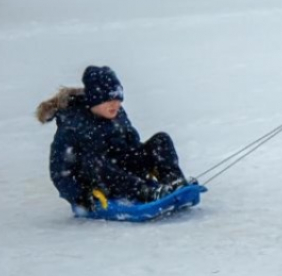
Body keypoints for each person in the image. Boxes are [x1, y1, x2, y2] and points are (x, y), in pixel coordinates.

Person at [36, 66, 193, 210]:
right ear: (94, 99)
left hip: (124, 171)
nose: (115, 105)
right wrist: (80, 195)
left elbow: (133, 144)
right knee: (95, 161)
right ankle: (145, 192)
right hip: (100, 181)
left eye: (118, 99)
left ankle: (173, 182)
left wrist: (147, 161)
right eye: (109, 100)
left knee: (160, 140)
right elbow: (60, 170)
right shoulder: (73, 125)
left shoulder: (117, 114)